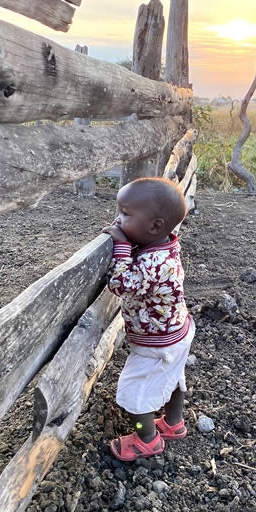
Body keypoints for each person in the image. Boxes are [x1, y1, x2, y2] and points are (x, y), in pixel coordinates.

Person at [102, 176, 195, 461]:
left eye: (125, 214)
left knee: (134, 396)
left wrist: (120, 246)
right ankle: (174, 422)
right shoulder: (163, 245)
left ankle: (147, 438)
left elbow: (121, 285)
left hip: (157, 344)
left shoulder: (154, 263)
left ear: (155, 226)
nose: (117, 221)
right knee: (174, 377)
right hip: (177, 331)